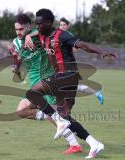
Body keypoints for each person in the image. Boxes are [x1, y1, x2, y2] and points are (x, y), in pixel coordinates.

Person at [25, 9, 116, 159]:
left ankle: (59, 121)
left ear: (48, 23)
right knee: (66, 116)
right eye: (36, 23)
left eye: (40, 24)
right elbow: (33, 33)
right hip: (64, 78)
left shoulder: (62, 34)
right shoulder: (41, 35)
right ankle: (94, 143)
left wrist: (101, 52)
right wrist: (28, 35)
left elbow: (82, 44)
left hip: (67, 75)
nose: (38, 26)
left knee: (32, 93)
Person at [10, 13, 83, 154]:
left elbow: (52, 31)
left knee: (57, 116)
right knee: (22, 111)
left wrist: (30, 35)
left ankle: (76, 144)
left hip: (48, 79)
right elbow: (19, 56)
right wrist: (17, 68)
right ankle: (82, 135)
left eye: (21, 29)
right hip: (34, 83)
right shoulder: (16, 42)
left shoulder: (38, 34)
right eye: (16, 29)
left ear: (29, 27)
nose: (18, 32)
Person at [59, 17, 104, 105]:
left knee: (65, 86)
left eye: (64, 25)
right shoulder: (59, 35)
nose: (62, 27)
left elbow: (76, 49)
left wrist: (63, 50)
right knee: (75, 86)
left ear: (68, 26)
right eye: (60, 25)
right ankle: (96, 93)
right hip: (64, 65)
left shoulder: (68, 35)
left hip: (68, 66)